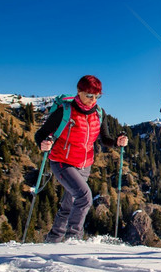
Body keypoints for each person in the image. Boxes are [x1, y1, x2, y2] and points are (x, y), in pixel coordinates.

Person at [35, 75, 128, 242]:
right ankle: (73, 239)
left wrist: (117, 141)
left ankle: (53, 240)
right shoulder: (65, 111)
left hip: (85, 165)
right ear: (79, 92)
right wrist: (43, 143)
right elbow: (41, 134)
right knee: (84, 198)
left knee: (69, 204)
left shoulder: (99, 113)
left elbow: (104, 139)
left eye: (97, 96)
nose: (92, 100)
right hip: (62, 162)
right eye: (89, 95)